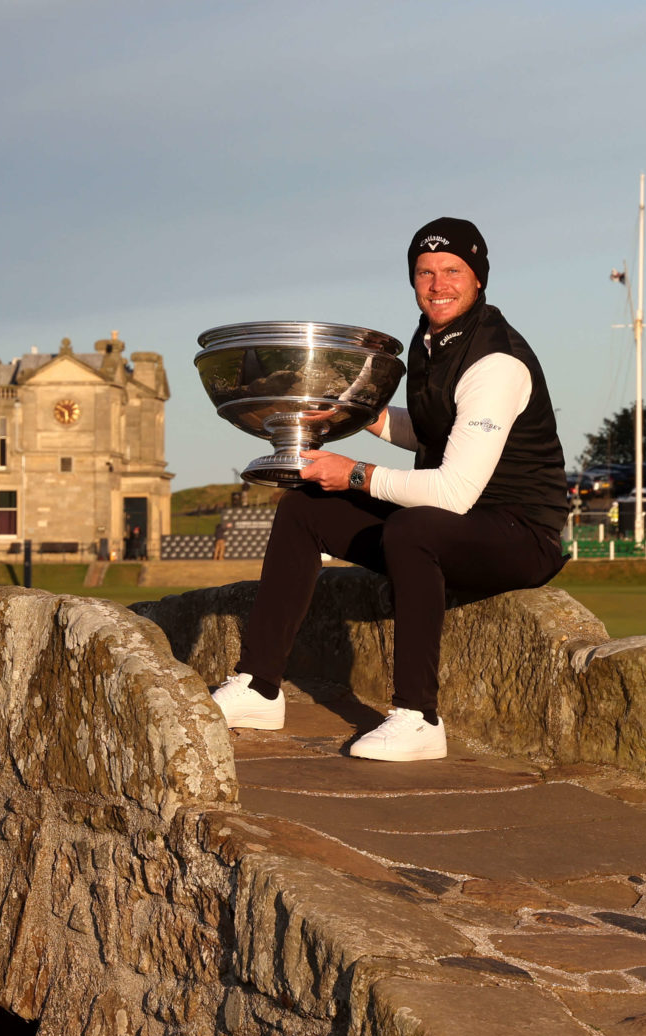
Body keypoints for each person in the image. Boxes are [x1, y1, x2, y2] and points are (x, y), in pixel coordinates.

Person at [210, 217, 568, 761]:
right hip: (456, 524)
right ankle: (260, 686)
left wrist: (354, 473)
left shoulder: (497, 360)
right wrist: (364, 417)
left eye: (452, 270)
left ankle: (419, 717)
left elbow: (452, 493)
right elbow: (432, 431)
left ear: (478, 278)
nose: (437, 283)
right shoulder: (432, 342)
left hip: (522, 533)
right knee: (304, 506)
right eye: (424, 271)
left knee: (413, 528)